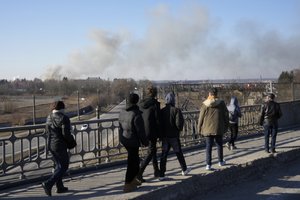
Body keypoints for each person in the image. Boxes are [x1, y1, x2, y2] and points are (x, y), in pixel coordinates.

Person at [42, 100, 76, 196]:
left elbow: (48, 131)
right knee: (64, 166)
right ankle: (48, 184)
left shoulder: (49, 117)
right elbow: (66, 134)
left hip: (51, 145)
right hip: (60, 145)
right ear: (62, 108)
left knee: (58, 166)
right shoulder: (64, 118)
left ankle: (60, 187)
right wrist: (72, 142)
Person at [119, 93, 149, 193]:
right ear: (136, 101)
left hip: (125, 139)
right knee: (132, 163)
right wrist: (145, 142)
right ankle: (127, 185)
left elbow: (120, 127)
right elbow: (140, 131)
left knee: (135, 160)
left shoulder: (122, 112)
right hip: (132, 141)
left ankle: (135, 181)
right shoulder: (136, 114)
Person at [159, 92, 191, 180]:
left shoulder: (162, 111)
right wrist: (178, 130)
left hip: (165, 137)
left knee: (164, 155)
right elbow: (179, 125)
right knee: (178, 153)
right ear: (173, 100)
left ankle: (161, 174)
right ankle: (184, 169)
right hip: (173, 136)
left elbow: (160, 125)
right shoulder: (176, 110)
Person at [197, 88, 229, 170]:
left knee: (208, 147)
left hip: (207, 129)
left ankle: (208, 164)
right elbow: (226, 114)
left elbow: (201, 117)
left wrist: (199, 128)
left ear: (209, 94)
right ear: (216, 94)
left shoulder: (205, 104)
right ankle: (220, 161)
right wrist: (226, 125)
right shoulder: (221, 103)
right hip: (218, 127)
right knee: (219, 145)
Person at [136, 85, 161, 182]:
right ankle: (139, 173)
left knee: (153, 150)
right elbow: (158, 120)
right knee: (151, 151)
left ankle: (156, 170)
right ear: (155, 93)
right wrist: (160, 134)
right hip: (151, 130)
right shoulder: (155, 104)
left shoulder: (140, 103)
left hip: (142, 130)